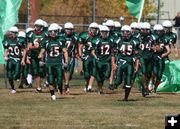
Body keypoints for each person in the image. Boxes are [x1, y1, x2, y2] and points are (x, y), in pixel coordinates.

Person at [38, 23, 68, 100]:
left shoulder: (61, 39)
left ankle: (60, 87)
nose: (53, 33)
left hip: (59, 63)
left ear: (57, 31)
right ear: (49, 32)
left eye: (54, 31)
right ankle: (52, 95)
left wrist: (66, 61)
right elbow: (42, 51)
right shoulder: (46, 41)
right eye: (51, 31)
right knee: (50, 79)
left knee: (60, 79)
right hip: (49, 63)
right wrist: (40, 57)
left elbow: (65, 51)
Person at [114, 25, 140, 101]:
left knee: (129, 80)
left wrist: (137, 66)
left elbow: (137, 56)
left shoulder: (135, 41)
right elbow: (113, 53)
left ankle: (126, 98)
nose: (125, 34)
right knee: (118, 80)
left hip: (129, 63)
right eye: (123, 32)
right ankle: (115, 85)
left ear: (130, 32)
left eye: (127, 32)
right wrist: (114, 63)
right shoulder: (118, 40)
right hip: (120, 62)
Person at [78, 22, 99, 92]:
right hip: (86, 55)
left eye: (95, 29)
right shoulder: (85, 36)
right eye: (93, 28)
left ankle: (90, 86)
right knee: (86, 73)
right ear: (89, 29)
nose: (94, 30)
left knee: (94, 71)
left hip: (94, 55)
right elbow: (80, 46)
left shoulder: (98, 37)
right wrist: (81, 55)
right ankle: (87, 84)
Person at [3, 26, 22, 93]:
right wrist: (5, 56)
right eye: (10, 33)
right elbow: (6, 49)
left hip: (17, 59)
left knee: (16, 73)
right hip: (10, 58)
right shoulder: (7, 40)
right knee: (9, 75)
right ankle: (13, 88)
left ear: (16, 33)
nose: (10, 34)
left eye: (12, 33)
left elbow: (23, 49)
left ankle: (17, 78)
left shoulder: (19, 40)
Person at [61, 22, 78, 94]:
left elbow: (77, 46)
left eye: (70, 29)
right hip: (62, 56)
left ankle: (66, 84)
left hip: (71, 56)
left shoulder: (75, 37)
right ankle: (65, 86)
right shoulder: (61, 36)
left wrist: (77, 53)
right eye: (67, 29)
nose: (68, 30)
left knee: (69, 73)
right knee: (62, 72)